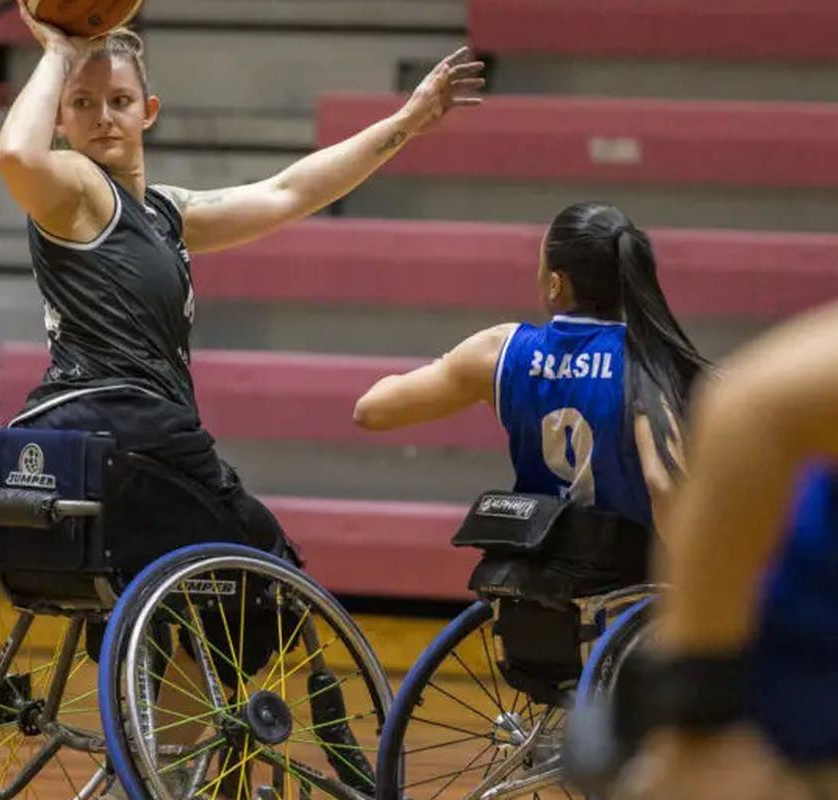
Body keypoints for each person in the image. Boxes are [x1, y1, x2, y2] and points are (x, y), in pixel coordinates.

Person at [0, 4, 485, 561]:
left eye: (120, 101)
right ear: (59, 120)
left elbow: (289, 192)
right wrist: (58, 53)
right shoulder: (74, 189)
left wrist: (405, 122)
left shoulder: (165, 213)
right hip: (130, 424)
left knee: (168, 586)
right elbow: (15, 153)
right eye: (82, 104)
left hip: (73, 429)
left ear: (148, 112)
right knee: (268, 565)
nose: (104, 116)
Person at [353, 202, 711, 531]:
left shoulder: (501, 351)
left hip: (537, 577)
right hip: (624, 584)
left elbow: (371, 411)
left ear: (555, 283)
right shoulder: (648, 359)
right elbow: (663, 484)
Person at [608, 302, 838, 800]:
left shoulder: (504, 347)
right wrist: (700, 724)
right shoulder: (644, 371)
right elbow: (746, 411)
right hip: (789, 712)